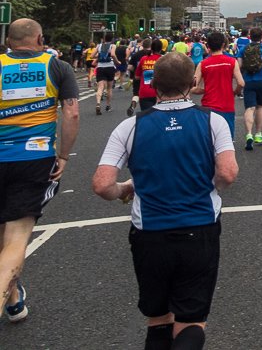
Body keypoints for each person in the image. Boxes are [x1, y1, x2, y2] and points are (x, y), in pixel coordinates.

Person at [93, 52, 238, 350]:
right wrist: (209, 186)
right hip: (199, 229)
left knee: (158, 320)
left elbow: (102, 184)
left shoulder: (129, 127)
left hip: (150, 235)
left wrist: (126, 189)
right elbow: (227, 173)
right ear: (193, 82)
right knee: (192, 320)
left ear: (153, 83)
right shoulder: (213, 122)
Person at [0, 18, 79, 326]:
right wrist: (64, 155)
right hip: (34, 157)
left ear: (9, 42)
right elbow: (71, 112)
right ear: (40, 39)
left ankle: (14, 298)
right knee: (18, 237)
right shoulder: (57, 67)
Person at [193, 32, 244, 141]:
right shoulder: (231, 61)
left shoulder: (203, 64)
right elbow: (241, 83)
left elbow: (193, 87)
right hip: (227, 106)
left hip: (208, 106)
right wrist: (234, 92)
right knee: (226, 141)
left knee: (209, 141)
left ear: (208, 46)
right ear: (223, 45)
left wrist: (205, 90)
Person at [240, 28, 262, 150]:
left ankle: (249, 134)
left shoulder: (244, 49)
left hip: (248, 80)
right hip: (261, 80)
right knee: (260, 106)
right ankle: (258, 134)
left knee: (249, 108)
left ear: (250, 36)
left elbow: (238, 65)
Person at [93, 33, 120, 115]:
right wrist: (117, 61)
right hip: (109, 67)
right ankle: (108, 105)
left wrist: (99, 56)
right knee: (109, 88)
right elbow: (112, 54)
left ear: (104, 38)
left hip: (100, 67)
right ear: (112, 39)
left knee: (100, 87)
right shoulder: (113, 46)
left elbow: (91, 56)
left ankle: (98, 103)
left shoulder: (99, 46)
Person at [135, 39, 165, 113]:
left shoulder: (143, 59)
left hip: (144, 93)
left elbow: (137, 77)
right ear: (161, 49)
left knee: (147, 117)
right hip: (160, 93)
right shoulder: (163, 60)